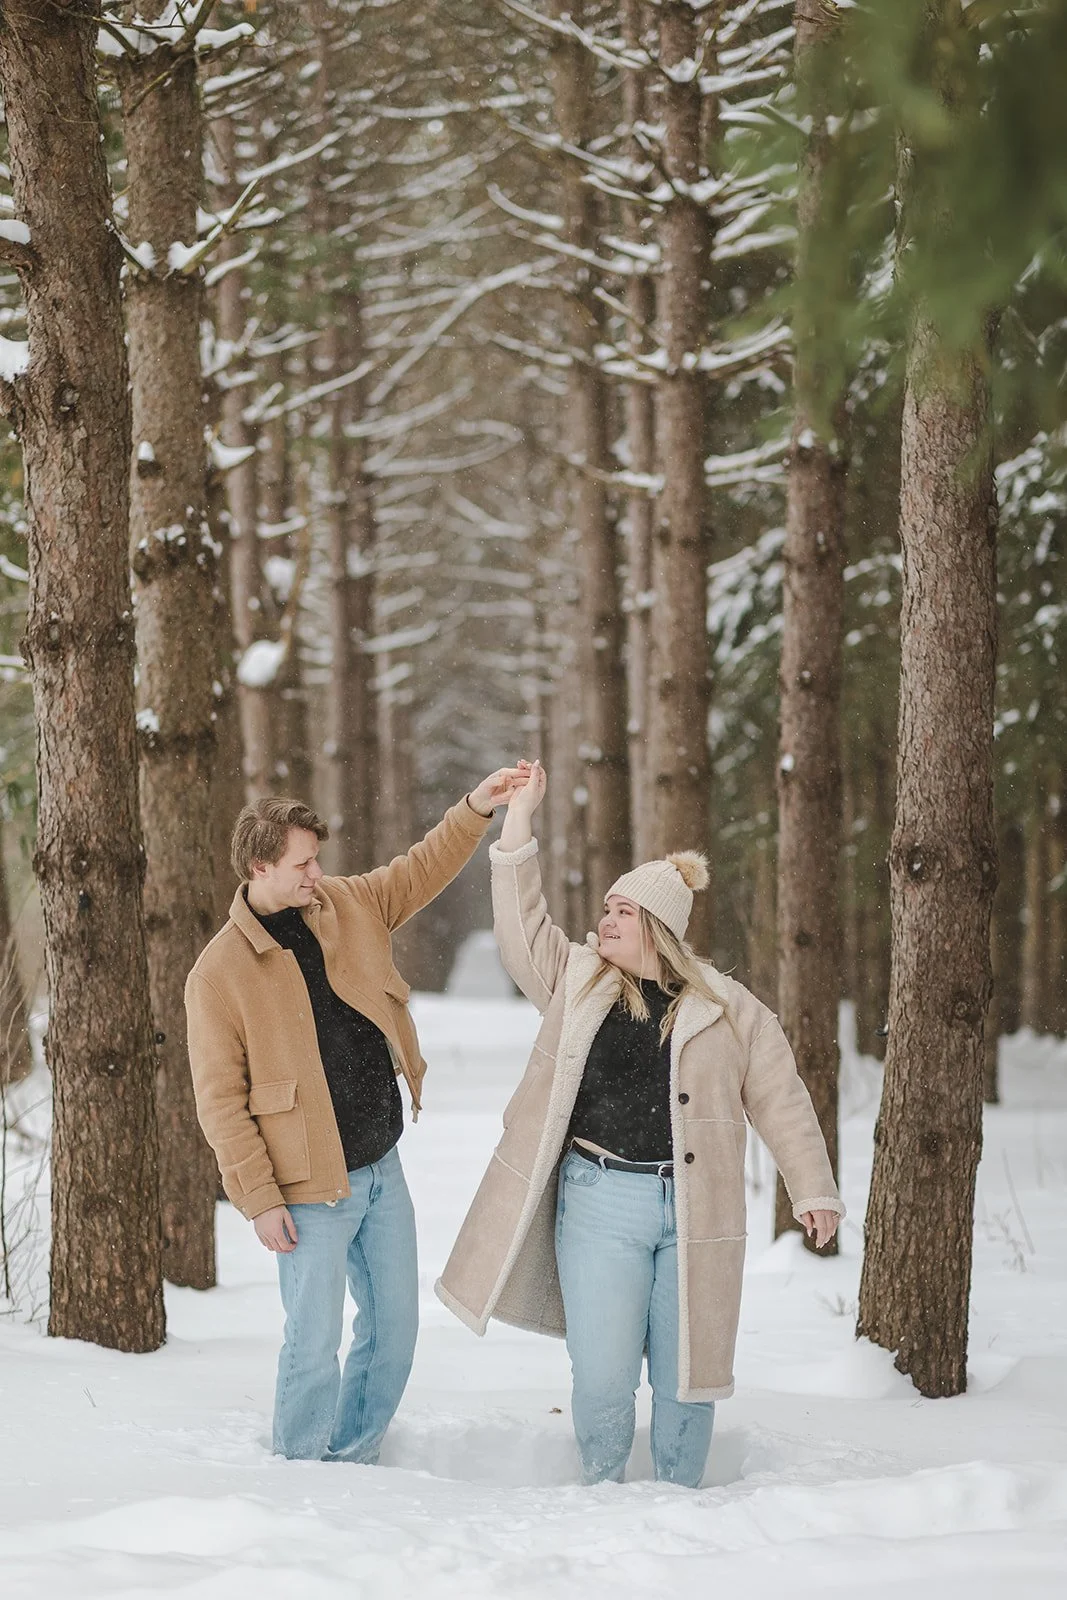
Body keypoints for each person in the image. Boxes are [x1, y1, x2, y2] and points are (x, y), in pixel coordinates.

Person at [437, 760, 843, 1488]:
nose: (606, 919)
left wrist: (812, 1188)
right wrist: (520, 818)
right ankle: (602, 1493)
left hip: (697, 1210)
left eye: (623, 911)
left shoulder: (729, 1007)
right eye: (605, 907)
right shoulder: (577, 979)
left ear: (658, 926)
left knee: (689, 1375)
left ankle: (681, 1501)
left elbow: (781, 1099)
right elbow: (520, 925)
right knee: (601, 1374)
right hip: (599, 1203)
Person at [186, 769, 526, 1464]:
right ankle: (301, 1471)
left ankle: (356, 1460)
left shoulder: (347, 904)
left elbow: (419, 870)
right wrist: (257, 1201)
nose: (317, 873)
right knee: (313, 1344)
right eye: (302, 863)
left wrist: (474, 809)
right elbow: (220, 1102)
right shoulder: (217, 974)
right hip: (307, 1191)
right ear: (259, 867)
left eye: (317, 859)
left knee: (395, 1329)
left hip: (380, 1166)